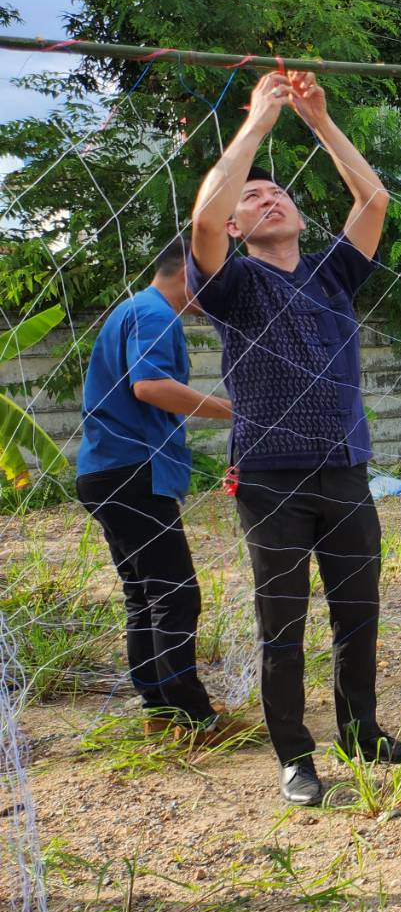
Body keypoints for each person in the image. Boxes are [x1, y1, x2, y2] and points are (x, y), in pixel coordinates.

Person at [188, 71, 401, 806]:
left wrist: (317, 119)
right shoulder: (231, 287)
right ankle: (295, 755)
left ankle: (363, 731)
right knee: (280, 623)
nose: (268, 196)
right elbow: (200, 223)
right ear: (234, 227)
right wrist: (257, 121)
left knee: (359, 614)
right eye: (251, 196)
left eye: (277, 190)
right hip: (270, 478)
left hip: (347, 471)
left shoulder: (330, 275)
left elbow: (374, 201)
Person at [75, 239, 259, 747]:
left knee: (145, 595)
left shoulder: (135, 309)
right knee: (177, 596)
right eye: (212, 279)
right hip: (132, 471)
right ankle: (196, 718)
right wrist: (235, 410)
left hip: (106, 470)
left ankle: (159, 708)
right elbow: (150, 386)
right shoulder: (156, 314)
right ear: (189, 275)